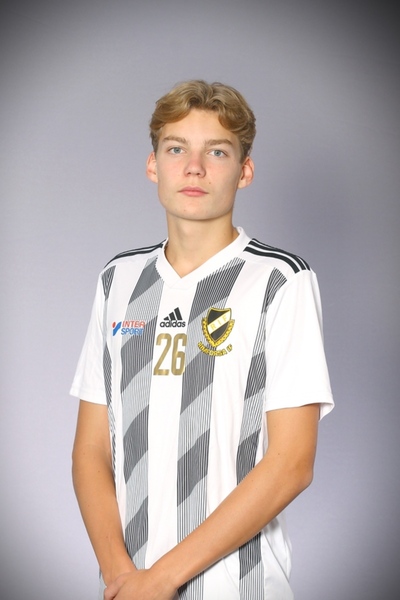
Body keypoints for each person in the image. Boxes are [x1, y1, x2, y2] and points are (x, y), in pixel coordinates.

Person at [71, 80, 334, 600]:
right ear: (153, 166)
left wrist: (161, 578)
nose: (194, 168)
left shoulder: (280, 280)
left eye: (216, 151)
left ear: (244, 171)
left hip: (241, 587)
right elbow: (90, 450)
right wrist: (122, 576)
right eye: (176, 149)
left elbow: (291, 464)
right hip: (129, 587)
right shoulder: (118, 280)